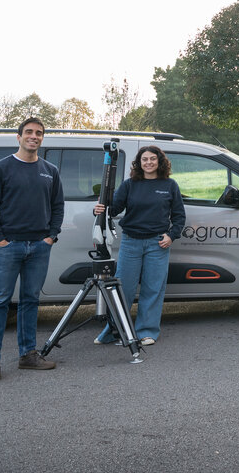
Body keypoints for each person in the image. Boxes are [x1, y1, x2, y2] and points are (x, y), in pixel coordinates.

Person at [0, 117, 64, 382]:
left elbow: (58, 206)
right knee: (0, 301)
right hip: (9, 246)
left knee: (30, 301)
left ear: (42, 138)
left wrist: (51, 237)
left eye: (38, 133)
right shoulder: (1, 168)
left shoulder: (49, 170)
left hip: (39, 246)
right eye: (28, 132)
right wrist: (0, 239)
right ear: (18, 137)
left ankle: (28, 355)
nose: (34, 136)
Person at [93, 145, 186, 346]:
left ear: (160, 161)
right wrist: (101, 208)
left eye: (153, 159)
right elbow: (114, 208)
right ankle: (115, 330)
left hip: (157, 244)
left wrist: (171, 236)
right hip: (131, 242)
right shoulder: (130, 185)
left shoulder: (170, 185)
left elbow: (179, 217)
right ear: (139, 162)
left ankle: (147, 331)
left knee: (153, 289)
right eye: (145, 159)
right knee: (123, 288)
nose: (149, 162)